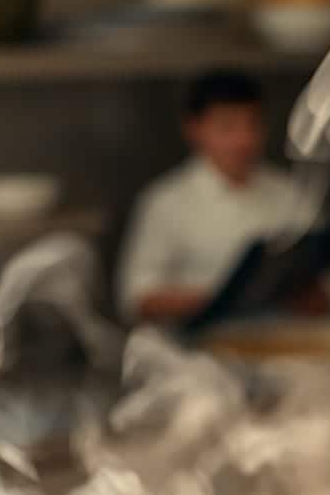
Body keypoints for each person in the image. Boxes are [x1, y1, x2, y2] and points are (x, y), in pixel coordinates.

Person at [118, 69, 312, 325]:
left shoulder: (290, 193)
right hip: (193, 350)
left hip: (282, 342)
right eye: (227, 127)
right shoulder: (166, 201)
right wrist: (222, 300)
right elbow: (137, 296)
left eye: (252, 125)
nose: (243, 140)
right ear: (194, 129)